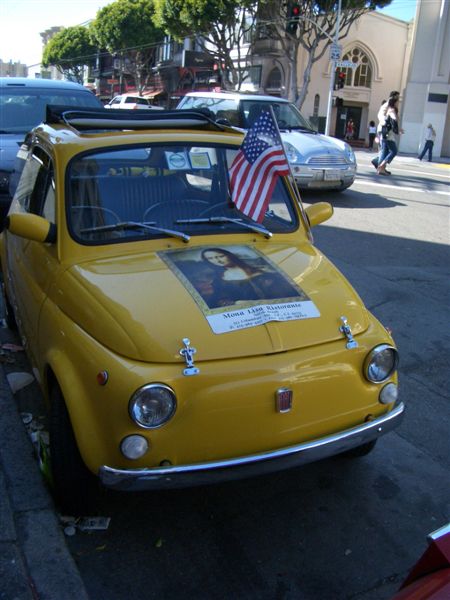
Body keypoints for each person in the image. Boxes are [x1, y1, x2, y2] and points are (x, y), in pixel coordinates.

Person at [200, 247, 302, 308]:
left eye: (220, 256)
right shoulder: (220, 281)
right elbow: (219, 301)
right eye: (211, 259)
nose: (217, 261)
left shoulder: (264, 269)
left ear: (228, 255)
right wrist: (237, 303)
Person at [371, 91, 401, 173]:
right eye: (397, 97)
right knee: (385, 149)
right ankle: (381, 167)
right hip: (384, 130)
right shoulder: (388, 105)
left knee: (386, 149)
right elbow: (380, 115)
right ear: (394, 97)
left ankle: (379, 164)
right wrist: (385, 122)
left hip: (385, 129)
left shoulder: (391, 106)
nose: (399, 99)